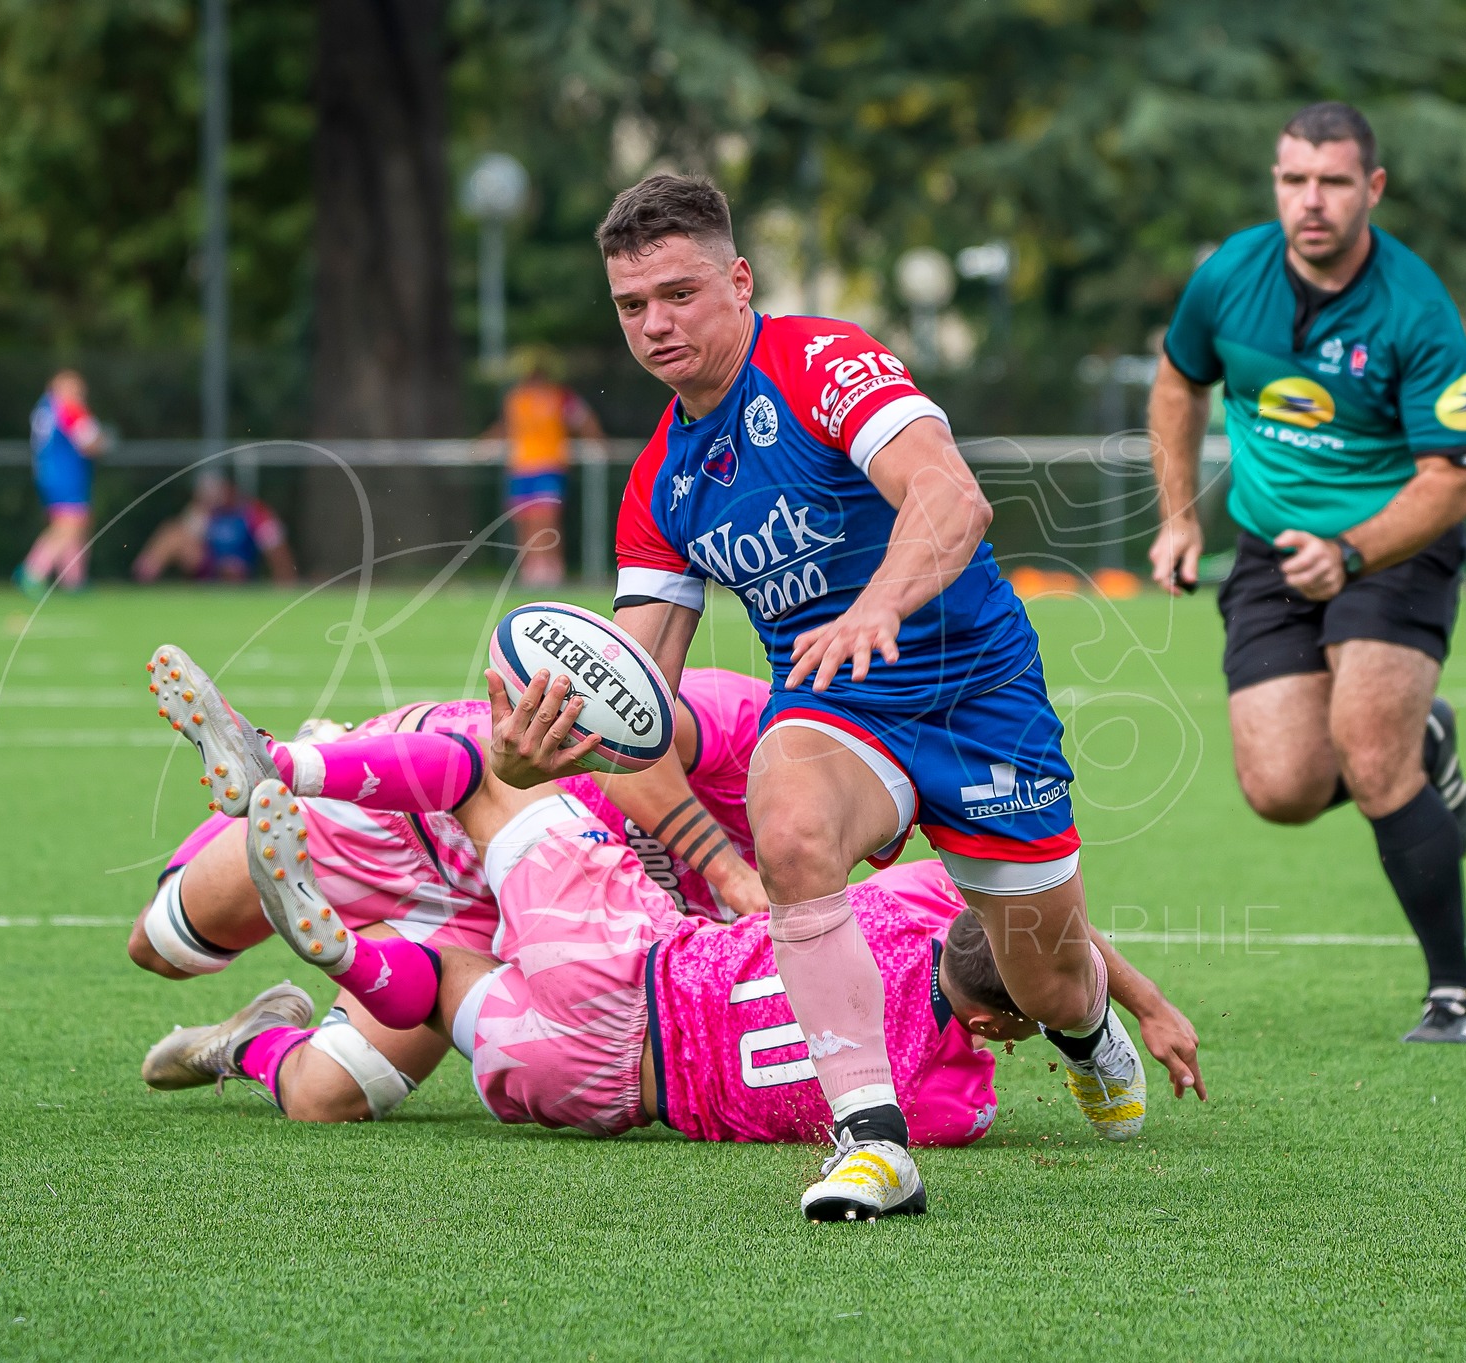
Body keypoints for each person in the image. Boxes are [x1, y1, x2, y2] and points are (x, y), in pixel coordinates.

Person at [483, 173, 1152, 1221]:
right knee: (787, 827)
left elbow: (949, 495)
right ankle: (872, 1142)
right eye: (629, 305)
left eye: (678, 292)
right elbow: (639, 689)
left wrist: (875, 605)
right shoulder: (661, 480)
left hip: (979, 695)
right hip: (839, 708)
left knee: (1045, 982)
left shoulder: (819, 362)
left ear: (738, 281)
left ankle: (1083, 1033)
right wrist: (537, 751)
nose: (654, 324)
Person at [142, 769, 1205, 1178]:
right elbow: (1043, 942)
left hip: (623, 952)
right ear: (1009, 1032)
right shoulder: (951, 1101)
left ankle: (303, 771)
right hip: (608, 1085)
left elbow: (1031, 903)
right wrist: (1118, 1021)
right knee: (444, 986)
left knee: (480, 780)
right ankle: (326, 985)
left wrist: (1138, 996)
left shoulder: (910, 894)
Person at [1145, 102, 1466, 1045]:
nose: (1313, 201)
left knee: (1371, 754)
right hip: (1268, 545)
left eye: (1334, 182)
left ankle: (1456, 994)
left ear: (1371, 189)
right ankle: (1430, 747)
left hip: (1395, 546)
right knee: (1283, 787)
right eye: (1295, 180)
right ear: (1276, 183)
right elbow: (1180, 382)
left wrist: (1351, 553)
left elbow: (1453, 478)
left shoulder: (1414, 308)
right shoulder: (1230, 275)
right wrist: (1180, 518)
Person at [128, 647, 771, 1120]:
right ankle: (287, 763)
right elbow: (631, 749)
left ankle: (246, 1042)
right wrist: (730, 873)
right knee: (161, 949)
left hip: (491, 920)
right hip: (427, 808)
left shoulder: (826, 896)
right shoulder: (760, 728)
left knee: (326, 1098)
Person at [480, 348, 605, 587]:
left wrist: (596, 440)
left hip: (549, 465)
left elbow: (583, 419)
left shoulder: (559, 396)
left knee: (546, 518)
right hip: (521, 467)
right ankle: (530, 570)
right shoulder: (517, 398)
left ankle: (551, 569)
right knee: (525, 520)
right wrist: (484, 444)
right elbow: (507, 427)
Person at [18, 370, 108, 598]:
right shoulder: (68, 408)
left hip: (49, 474)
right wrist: (104, 442)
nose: (80, 394)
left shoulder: (45, 407)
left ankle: (74, 580)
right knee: (70, 525)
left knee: (72, 524)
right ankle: (32, 572)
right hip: (66, 475)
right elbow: (89, 443)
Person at [132, 471, 297, 584]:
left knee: (271, 552)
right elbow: (184, 536)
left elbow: (275, 546)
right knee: (172, 531)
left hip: (241, 566)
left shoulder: (253, 511)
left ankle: (286, 584)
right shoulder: (207, 511)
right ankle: (143, 576)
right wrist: (199, 509)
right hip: (211, 565)